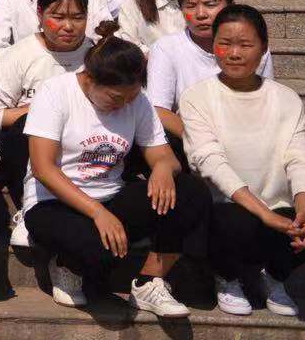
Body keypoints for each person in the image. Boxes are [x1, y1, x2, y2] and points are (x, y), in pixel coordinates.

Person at [22, 23, 208, 317]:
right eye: (115, 98)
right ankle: (66, 264)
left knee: (191, 191)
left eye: (130, 98)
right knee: (99, 251)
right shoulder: (55, 91)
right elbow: (43, 168)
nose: (123, 106)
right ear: (89, 79)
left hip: (112, 195)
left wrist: (162, 169)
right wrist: (97, 213)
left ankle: (149, 281)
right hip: (55, 202)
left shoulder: (137, 101)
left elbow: (164, 155)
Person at [181, 5, 305, 317]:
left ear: (263, 48)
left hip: (275, 208)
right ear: (213, 46)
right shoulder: (197, 97)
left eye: (245, 45)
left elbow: (300, 156)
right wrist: (264, 214)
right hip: (223, 210)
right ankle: (227, 277)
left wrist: (304, 208)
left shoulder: (286, 98)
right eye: (224, 44)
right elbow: (211, 162)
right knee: (237, 222)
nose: (234, 53)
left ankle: (274, 276)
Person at [0, 0, 93, 246]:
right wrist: (41, 110)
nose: (68, 27)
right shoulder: (20, 55)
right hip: (32, 149)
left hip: (83, 144)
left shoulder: (95, 55)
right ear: (40, 14)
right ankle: (30, 206)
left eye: (77, 18)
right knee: (23, 127)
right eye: (57, 17)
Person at [148, 0, 273, 141]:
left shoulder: (253, 48)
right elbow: (159, 109)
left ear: (229, 6)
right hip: (189, 139)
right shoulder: (166, 48)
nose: (201, 14)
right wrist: (203, 141)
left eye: (210, 4)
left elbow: (265, 100)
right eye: (191, 6)